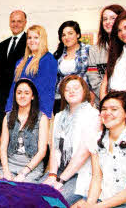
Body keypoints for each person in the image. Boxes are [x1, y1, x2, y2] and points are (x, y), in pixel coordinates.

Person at [73, 91, 126, 208]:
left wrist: (94, 207)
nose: (107, 113)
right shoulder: (97, 140)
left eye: (114, 109)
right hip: (104, 200)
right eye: (104, 109)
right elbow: (97, 178)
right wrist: (89, 203)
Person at [41, 75, 100, 205]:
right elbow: (55, 148)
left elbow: (83, 154)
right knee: (34, 195)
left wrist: (60, 181)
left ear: (84, 91)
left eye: (76, 88)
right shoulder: (59, 116)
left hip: (80, 175)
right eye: (67, 89)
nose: (71, 91)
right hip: (58, 171)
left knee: (52, 202)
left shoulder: (93, 115)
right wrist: (52, 175)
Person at [0, 79, 49, 183]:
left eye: (26, 93)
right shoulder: (7, 117)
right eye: (19, 93)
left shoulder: (42, 118)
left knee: (23, 193)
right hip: (10, 165)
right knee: (2, 189)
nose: (22, 96)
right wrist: (6, 171)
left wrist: (24, 173)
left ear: (32, 96)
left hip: (31, 168)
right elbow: (3, 148)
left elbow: (42, 151)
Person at [5, 25, 57, 119]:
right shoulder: (21, 62)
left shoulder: (48, 59)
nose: (32, 41)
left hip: (36, 113)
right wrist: (9, 110)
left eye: (36, 37)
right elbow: (14, 87)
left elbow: (46, 90)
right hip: (18, 112)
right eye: (29, 38)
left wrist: (43, 115)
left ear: (42, 40)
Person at [86, 4, 125, 106]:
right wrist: (108, 100)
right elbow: (94, 79)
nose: (108, 22)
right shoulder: (95, 50)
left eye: (113, 18)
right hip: (103, 104)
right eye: (105, 19)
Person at [53, 21, 91, 114]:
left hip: (82, 99)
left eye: (70, 33)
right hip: (61, 99)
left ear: (77, 34)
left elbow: (93, 76)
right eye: (63, 35)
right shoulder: (58, 54)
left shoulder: (88, 50)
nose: (67, 37)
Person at [0, 10, 28, 129]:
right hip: (3, 98)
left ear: (25, 23)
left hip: (21, 96)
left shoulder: (29, 43)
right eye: (13, 21)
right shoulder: (2, 45)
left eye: (19, 21)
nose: (15, 24)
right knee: (4, 131)